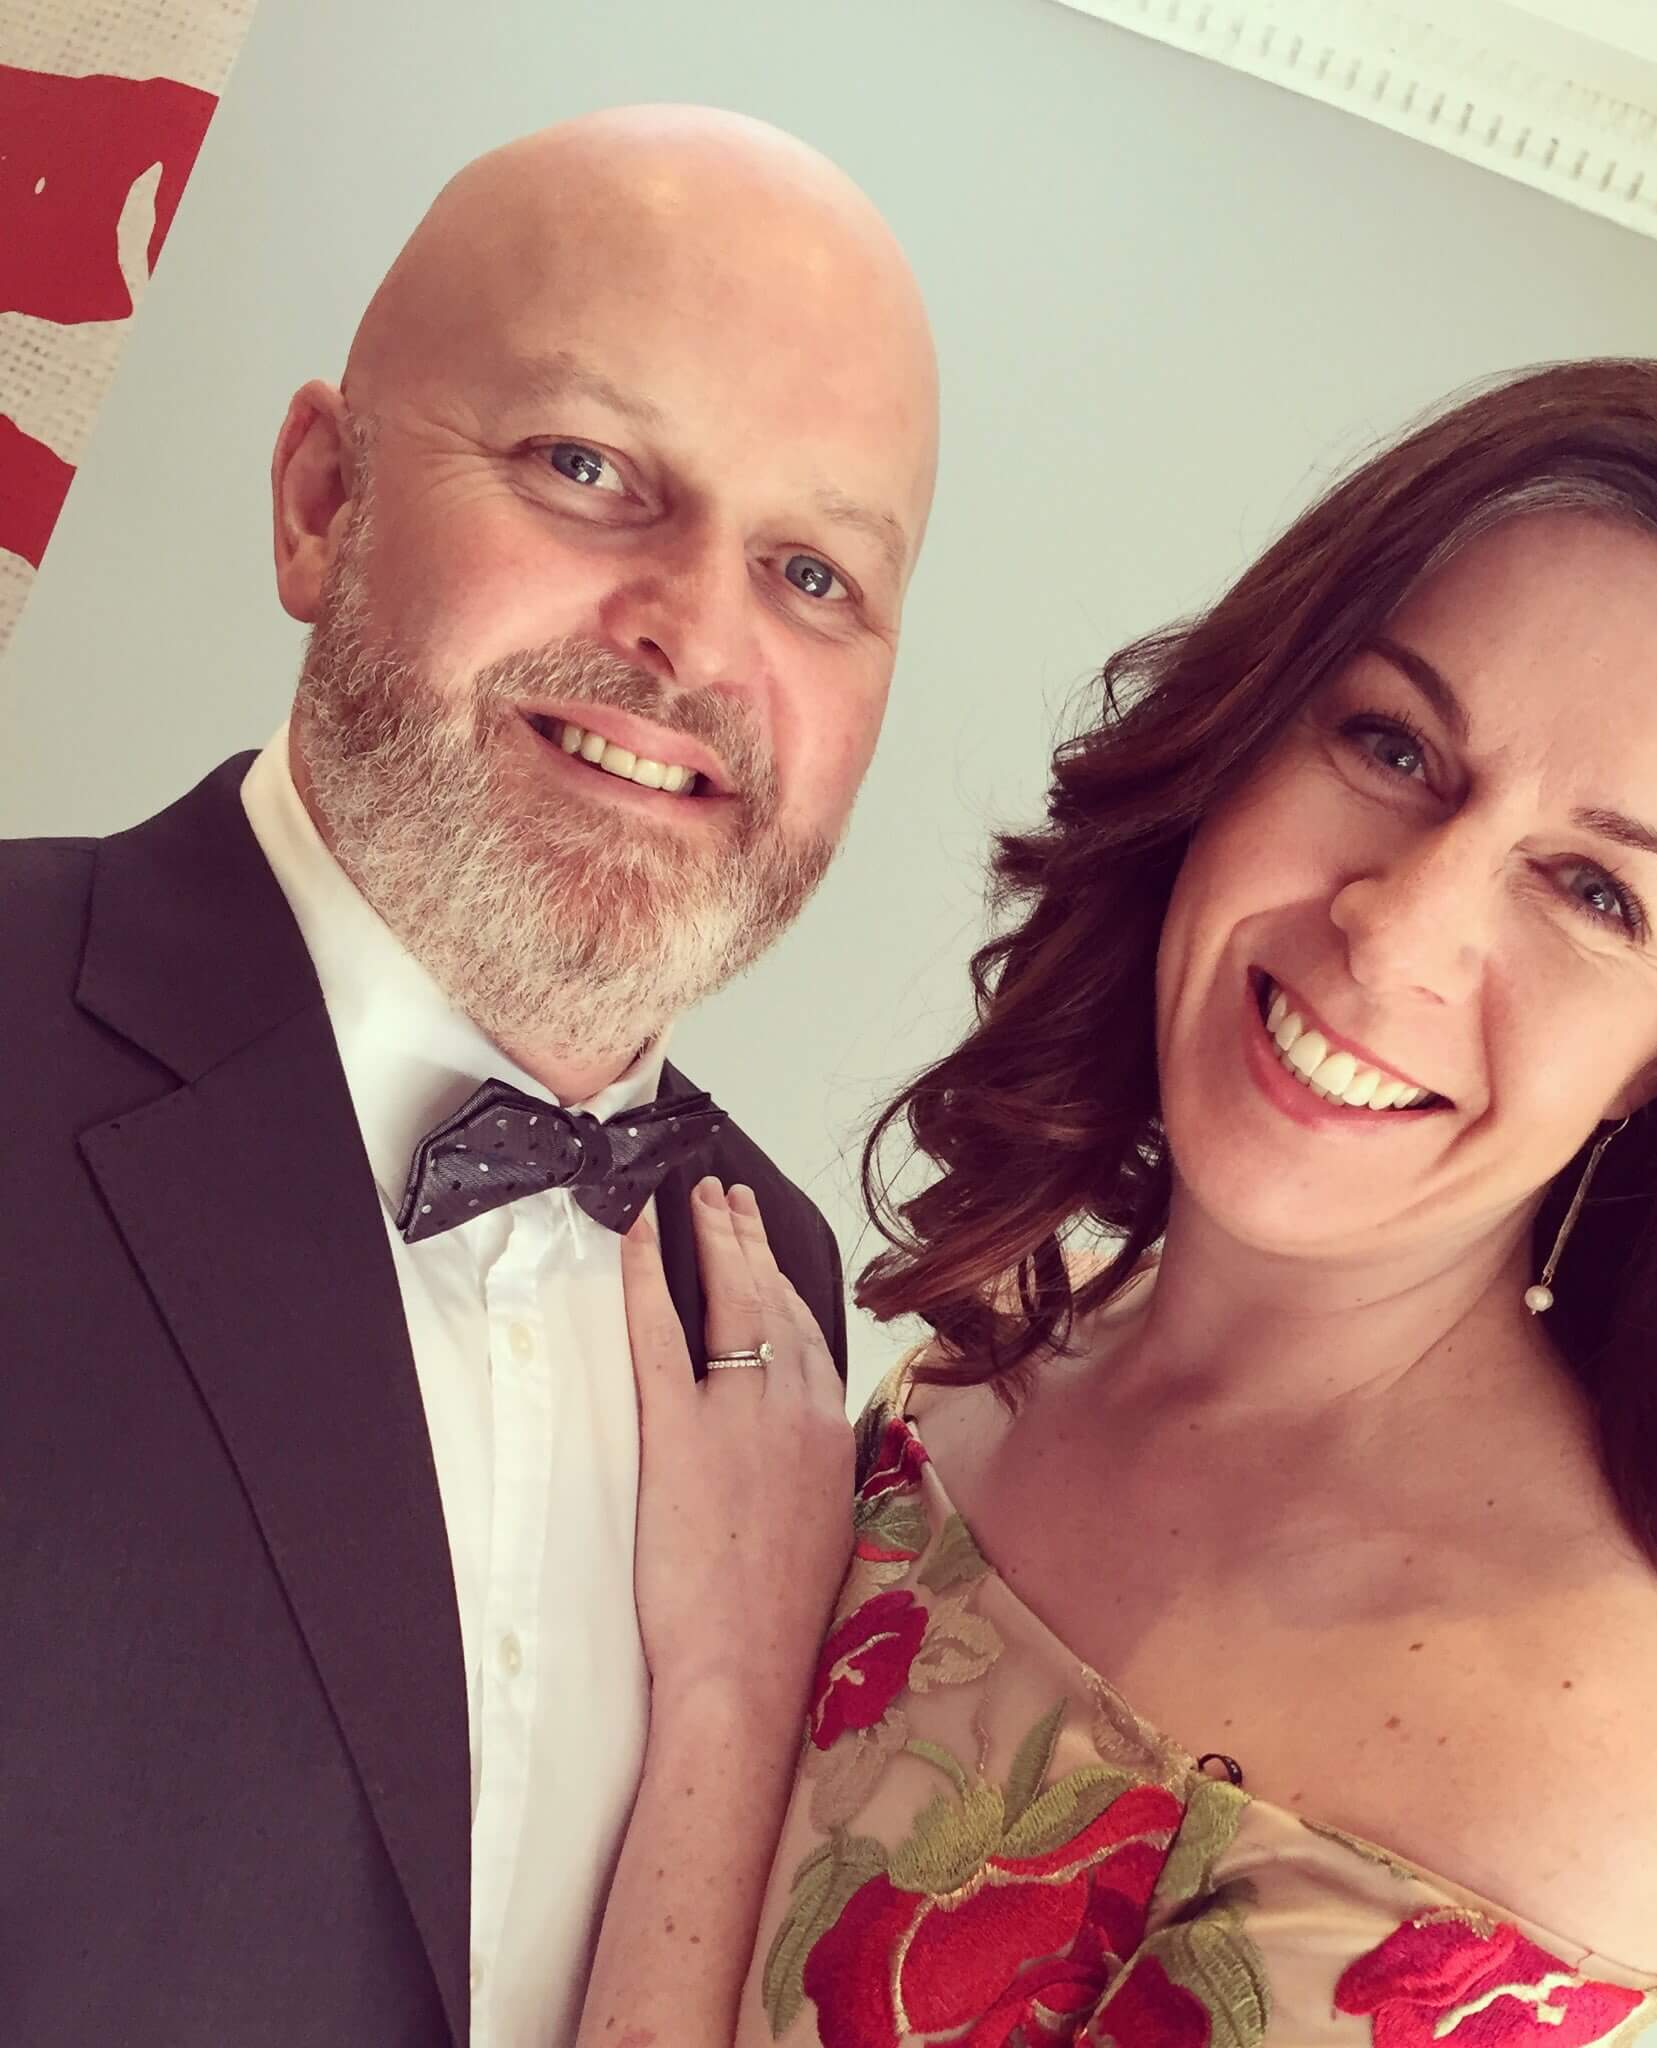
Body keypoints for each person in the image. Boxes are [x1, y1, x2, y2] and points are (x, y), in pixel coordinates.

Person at [582, 360, 1657, 2046]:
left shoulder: (1549, 1723)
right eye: (1392, 744)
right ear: (1247, 739)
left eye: (1595, 891)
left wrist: (729, 1685)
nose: (1399, 929)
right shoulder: (1022, 1348)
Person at [0, 107, 936, 2048]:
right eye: (587, 467)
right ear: (322, 499)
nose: (692, 629)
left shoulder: (768, 1288)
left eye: (814, 571)